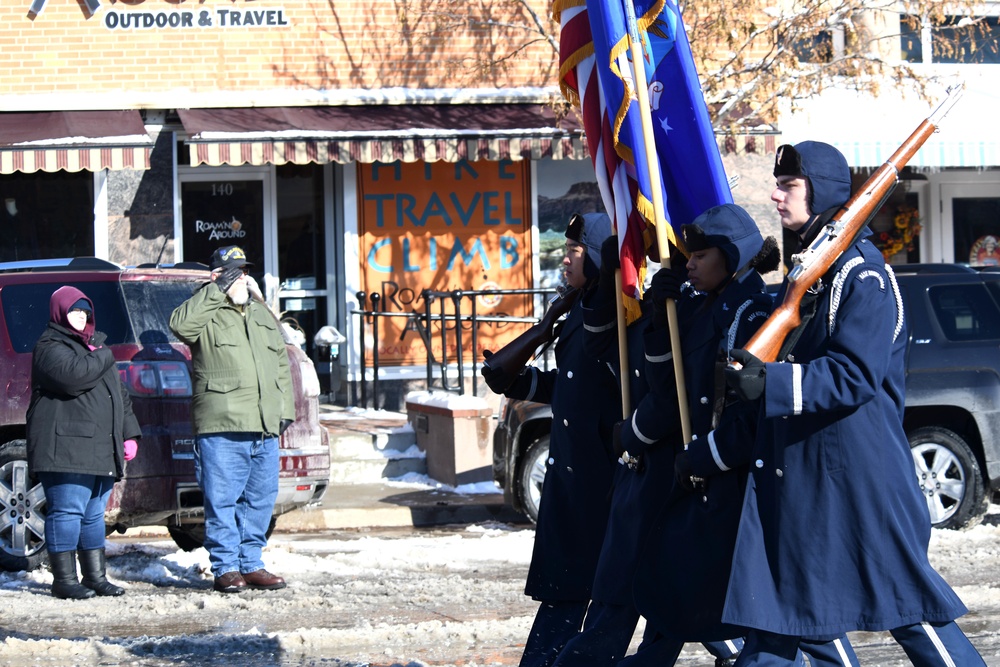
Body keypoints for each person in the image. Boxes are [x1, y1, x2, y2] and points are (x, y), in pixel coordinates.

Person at [724, 141, 985, 665]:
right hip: (807, 477)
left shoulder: (862, 274)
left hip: (861, 479)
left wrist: (772, 384)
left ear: (821, 193)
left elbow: (855, 376)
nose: (775, 197)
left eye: (789, 186)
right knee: (786, 620)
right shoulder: (813, 272)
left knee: (911, 614)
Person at [550, 216, 746, 667]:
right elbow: (608, 351)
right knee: (645, 595)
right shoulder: (650, 307)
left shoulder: (709, 309)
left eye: (698, 256)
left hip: (671, 469)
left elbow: (680, 394)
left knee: (664, 595)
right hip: (641, 473)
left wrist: (632, 435)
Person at [481, 212, 620, 667]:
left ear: (598, 259)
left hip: (602, 478)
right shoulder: (579, 308)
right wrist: (522, 381)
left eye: (574, 252)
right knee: (568, 592)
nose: (564, 261)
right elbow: (572, 384)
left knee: (638, 597)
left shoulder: (617, 314)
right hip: (572, 473)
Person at [170, 245, 295, 594]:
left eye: (243, 271)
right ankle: (225, 567)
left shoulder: (258, 313)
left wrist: (284, 411)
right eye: (232, 272)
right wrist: (215, 289)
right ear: (216, 276)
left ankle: (251, 563)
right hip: (222, 424)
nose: (240, 278)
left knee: (260, 499)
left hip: (264, 425)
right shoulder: (205, 310)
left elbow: (280, 364)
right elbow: (179, 325)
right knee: (222, 499)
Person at [27, 286, 141, 599]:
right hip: (64, 447)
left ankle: (95, 577)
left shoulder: (93, 349)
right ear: (59, 313)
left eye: (85, 312)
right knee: (67, 511)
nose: (81, 317)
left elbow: (120, 397)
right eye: (74, 311)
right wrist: (105, 354)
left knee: (93, 515)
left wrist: (129, 432)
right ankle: (64, 581)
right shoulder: (50, 346)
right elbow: (72, 377)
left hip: (99, 445)